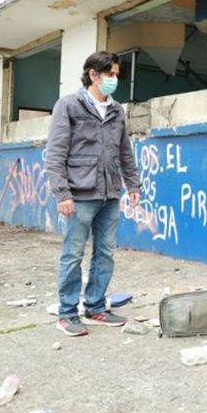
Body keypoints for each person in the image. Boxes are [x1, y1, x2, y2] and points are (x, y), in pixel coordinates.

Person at [46, 51, 141, 337]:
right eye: (110, 74)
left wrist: (133, 184)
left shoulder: (116, 110)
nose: (114, 79)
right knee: (73, 254)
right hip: (79, 193)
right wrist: (62, 193)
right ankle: (66, 313)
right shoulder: (69, 105)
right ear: (93, 75)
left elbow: (124, 150)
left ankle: (96, 307)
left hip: (109, 193)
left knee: (105, 253)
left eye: (116, 75)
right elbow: (56, 153)